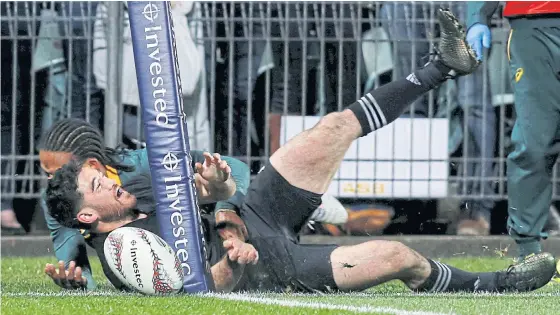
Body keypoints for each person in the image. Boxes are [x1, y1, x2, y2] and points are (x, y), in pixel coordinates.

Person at [46, 8, 557, 294]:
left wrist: (222, 194)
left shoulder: (133, 183)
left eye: (101, 174)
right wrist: (232, 246)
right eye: (97, 185)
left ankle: (440, 68)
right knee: (398, 257)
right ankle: (493, 284)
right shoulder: (123, 254)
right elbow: (212, 283)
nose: (109, 179)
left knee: (332, 127)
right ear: (89, 213)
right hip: (270, 262)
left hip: (256, 208)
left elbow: (224, 194)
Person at [38, 118, 347, 290]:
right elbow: (76, 267)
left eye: (55, 172)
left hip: (217, 212)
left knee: (237, 194)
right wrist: (76, 283)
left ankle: (298, 204)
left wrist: (226, 209)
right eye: (46, 173)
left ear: (89, 163)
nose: (50, 182)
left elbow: (236, 169)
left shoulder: (144, 166)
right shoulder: (61, 201)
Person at [466, 1, 560, 260]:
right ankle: (529, 254)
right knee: (533, 145)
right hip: (533, 26)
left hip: (535, 28)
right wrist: (478, 15)